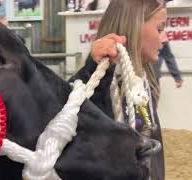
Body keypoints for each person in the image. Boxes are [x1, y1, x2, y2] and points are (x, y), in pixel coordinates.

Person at [70, 0, 168, 180]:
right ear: (134, 29)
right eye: (160, 29)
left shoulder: (146, 81)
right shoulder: (100, 85)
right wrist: (92, 69)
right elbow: (67, 112)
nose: (165, 38)